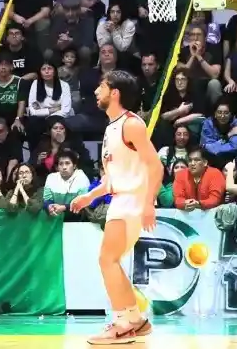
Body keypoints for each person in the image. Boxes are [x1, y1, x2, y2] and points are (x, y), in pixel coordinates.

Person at [69, 70, 162, 344]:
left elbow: (155, 166)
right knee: (111, 260)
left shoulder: (132, 124)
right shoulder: (111, 128)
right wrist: (90, 197)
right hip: (120, 199)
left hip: (132, 201)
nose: (96, 91)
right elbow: (111, 180)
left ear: (115, 93)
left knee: (106, 260)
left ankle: (123, 324)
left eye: (101, 86)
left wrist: (148, 204)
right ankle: (135, 320)